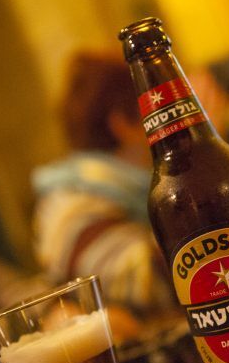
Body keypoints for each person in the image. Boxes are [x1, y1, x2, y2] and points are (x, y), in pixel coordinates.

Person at [32, 51, 174, 319]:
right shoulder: (75, 202)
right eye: (161, 106)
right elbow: (158, 285)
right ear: (125, 123)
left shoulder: (119, 186)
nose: (172, 116)